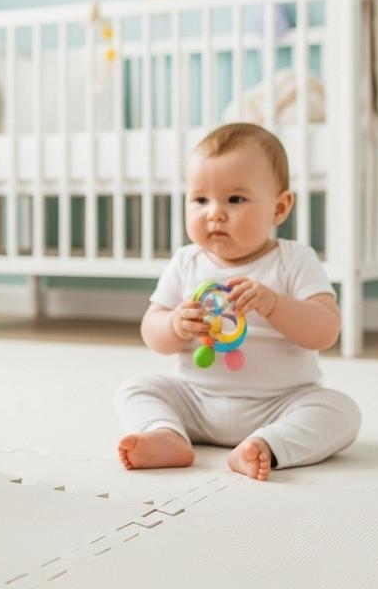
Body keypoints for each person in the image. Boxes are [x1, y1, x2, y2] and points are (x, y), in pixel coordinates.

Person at [115, 123, 360, 481]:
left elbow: (326, 330)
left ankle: (265, 445)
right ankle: (166, 433)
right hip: (195, 401)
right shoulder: (186, 262)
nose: (214, 213)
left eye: (235, 199)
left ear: (279, 207)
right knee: (135, 388)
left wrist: (275, 304)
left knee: (341, 411)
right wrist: (174, 325)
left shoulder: (294, 260)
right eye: (200, 200)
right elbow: (152, 332)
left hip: (280, 402)